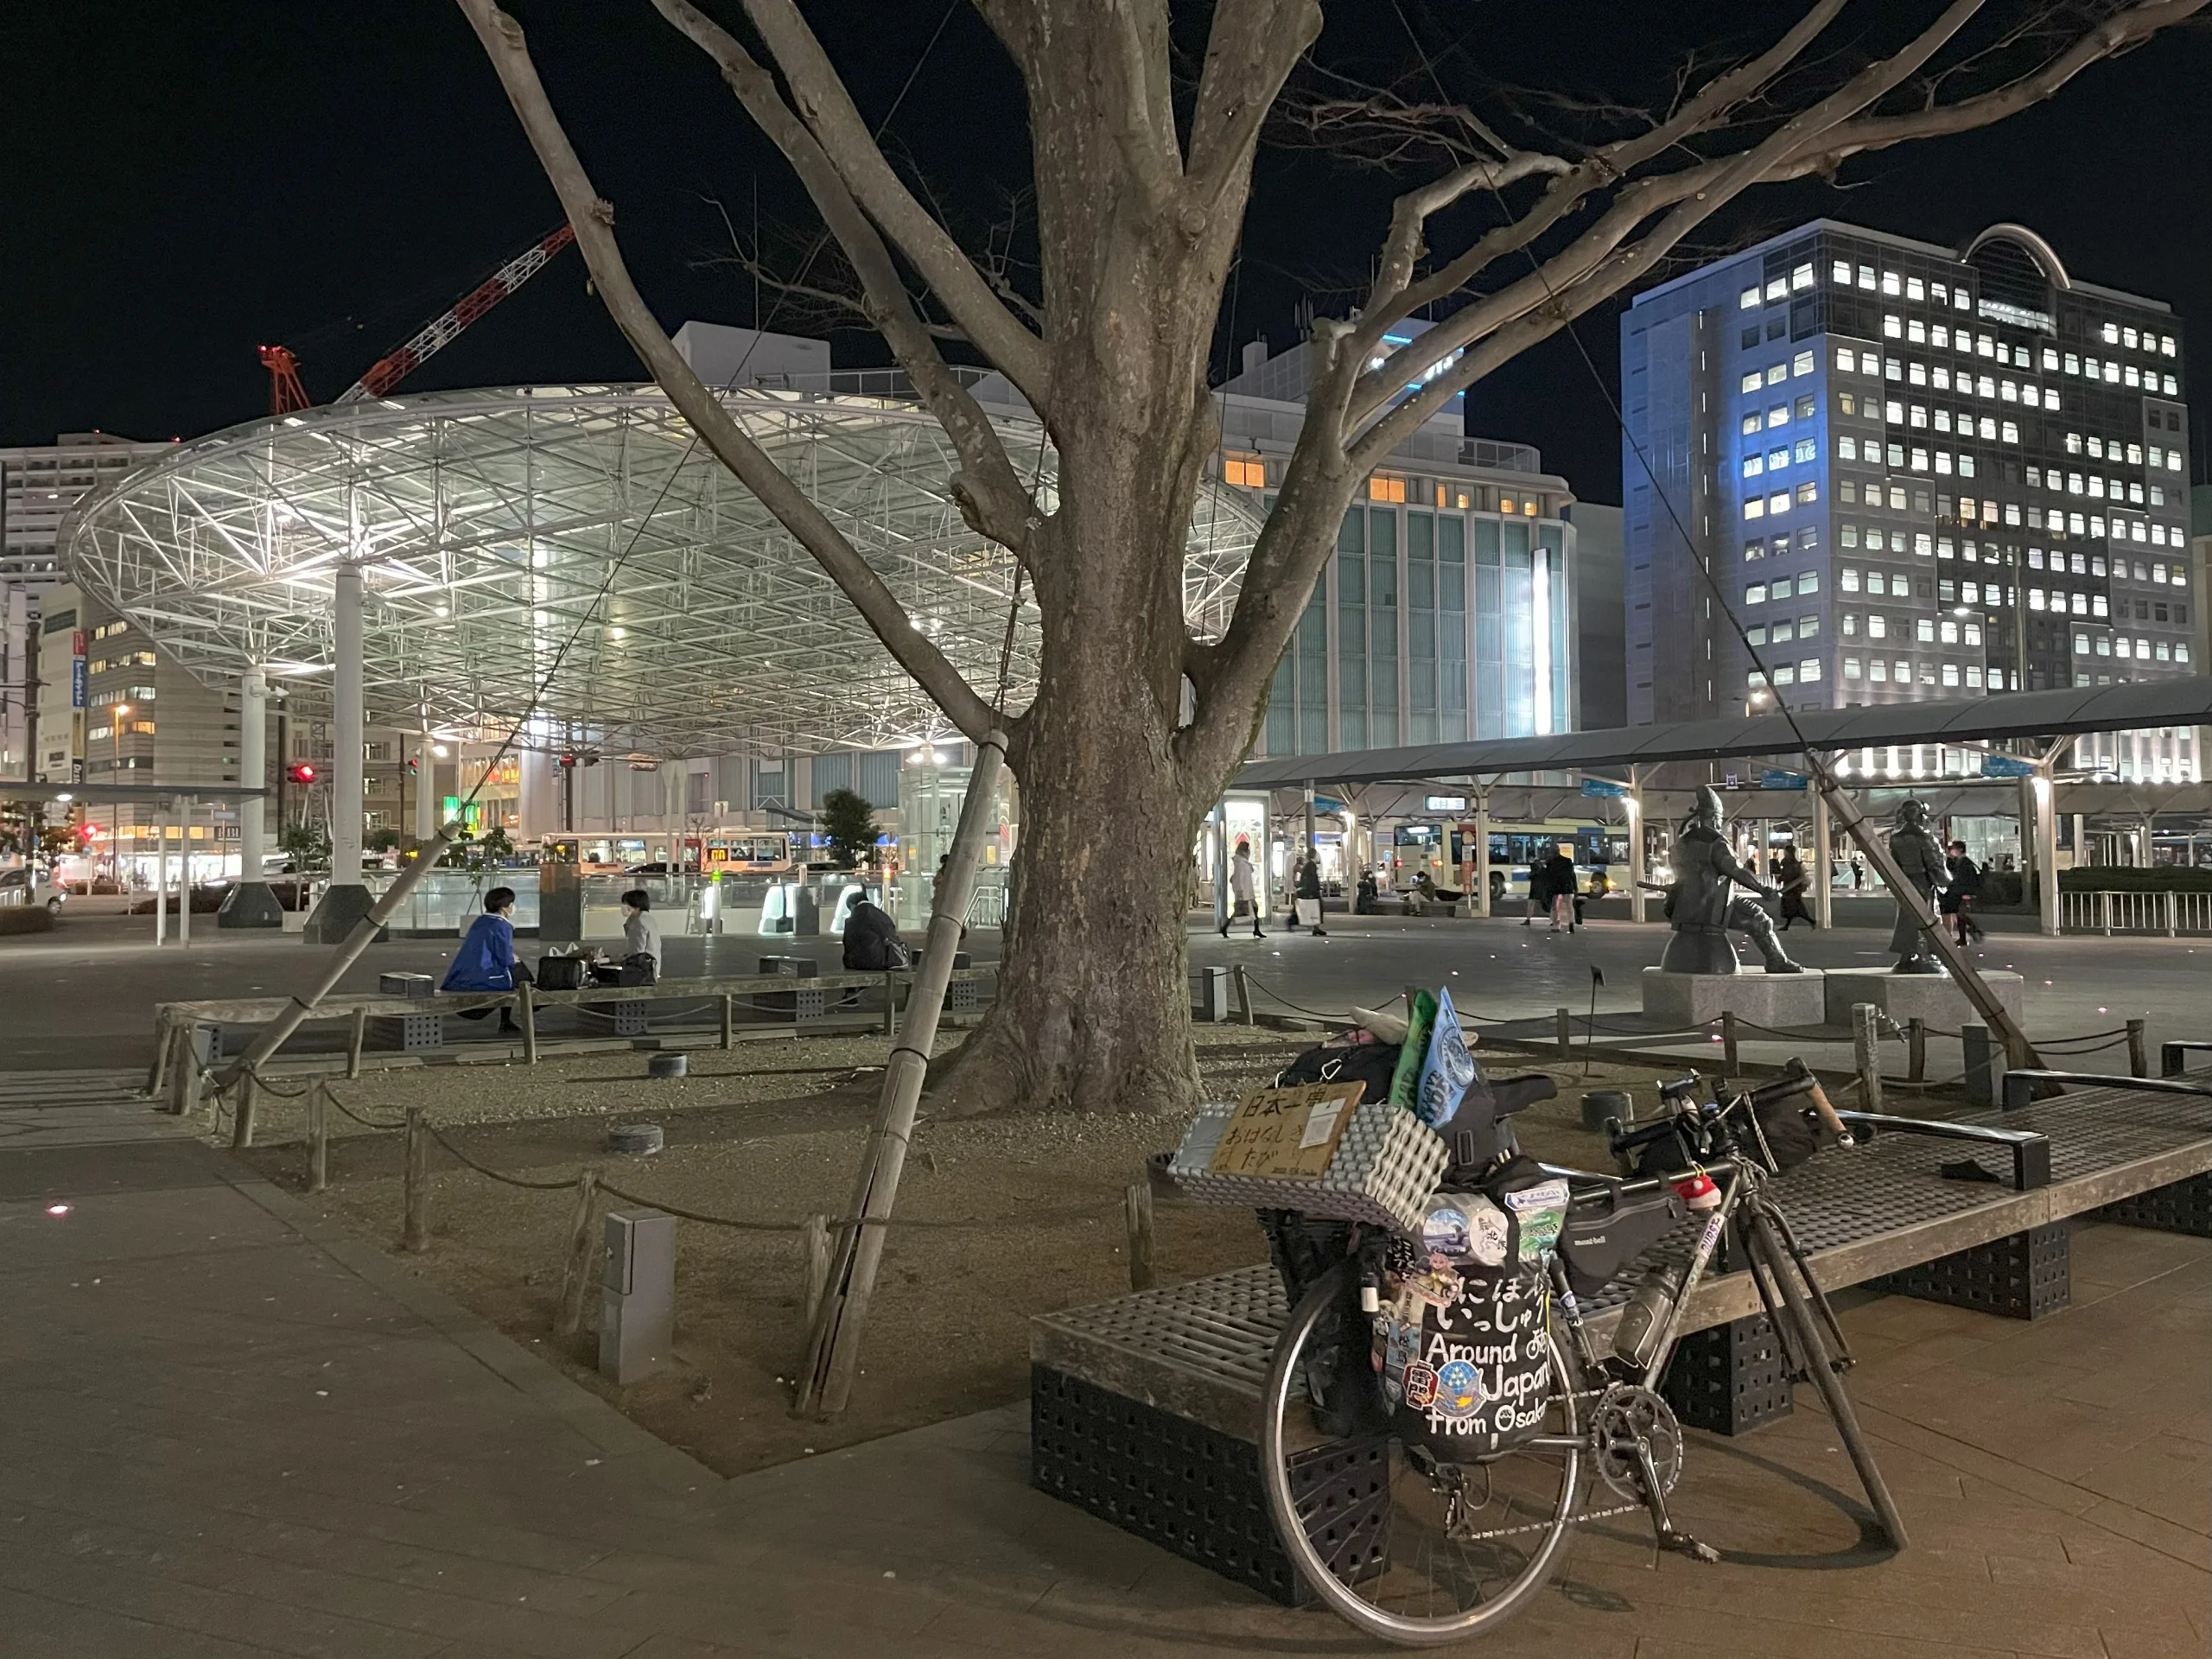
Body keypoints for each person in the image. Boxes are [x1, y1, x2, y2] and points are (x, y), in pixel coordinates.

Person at [441, 887, 530, 1033]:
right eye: (512, 903)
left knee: (513, 971)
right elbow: (505, 958)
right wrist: (515, 959)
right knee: (518, 974)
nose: (514, 907)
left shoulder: (481, 921)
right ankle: (512, 1016)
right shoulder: (502, 925)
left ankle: (505, 1020)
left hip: (463, 973)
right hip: (483, 974)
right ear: (505, 907)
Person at [1885, 800, 1950, 973]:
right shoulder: (1926, 838)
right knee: (1926, 917)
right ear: (1922, 816)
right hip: (1923, 881)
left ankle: (1906, 954)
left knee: (1906, 919)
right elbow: (1934, 863)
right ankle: (1925, 955)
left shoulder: (1896, 839)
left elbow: (1894, 863)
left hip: (1905, 882)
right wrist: (1945, 881)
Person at [594, 887, 661, 985]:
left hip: (641, 974)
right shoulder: (648, 919)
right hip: (651, 971)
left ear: (637, 906)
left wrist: (609, 960)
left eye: (626, 904)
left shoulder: (638, 923)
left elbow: (636, 954)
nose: (623, 907)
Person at [842, 893, 907, 970]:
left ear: (852, 905)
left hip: (863, 962)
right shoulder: (883, 916)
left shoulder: (854, 919)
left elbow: (848, 942)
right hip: (888, 959)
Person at [1945, 840, 1986, 944]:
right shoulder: (1960, 861)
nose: (1951, 851)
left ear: (1960, 849)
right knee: (1960, 915)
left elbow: (1964, 879)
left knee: (1960, 915)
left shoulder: (1964, 863)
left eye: (1953, 848)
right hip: (1962, 891)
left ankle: (1971, 932)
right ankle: (1970, 933)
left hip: (1963, 892)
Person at [1221, 839, 1263, 938]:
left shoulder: (1242, 862)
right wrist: (1240, 892)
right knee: (1240, 910)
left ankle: (1256, 929)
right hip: (1244, 891)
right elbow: (1239, 878)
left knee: (1249, 909)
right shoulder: (1240, 863)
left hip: (1247, 891)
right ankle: (1225, 927)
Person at [1776, 847, 1815, 931]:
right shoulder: (1795, 863)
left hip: (1791, 889)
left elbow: (1787, 875)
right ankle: (1809, 921)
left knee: (1793, 907)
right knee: (1795, 907)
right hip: (1795, 889)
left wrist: (1780, 879)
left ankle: (1810, 921)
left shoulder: (1788, 863)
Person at [1543, 844, 1578, 933]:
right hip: (1567, 886)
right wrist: (1575, 887)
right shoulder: (1567, 861)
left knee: (1555, 907)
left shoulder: (1550, 862)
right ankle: (1571, 924)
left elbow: (1548, 876)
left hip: (1555, 887)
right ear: (1559, 851)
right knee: (1569, 907)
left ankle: (1556, 925)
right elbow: (1572, 875)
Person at [1295, 850, 1326, 937]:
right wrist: (1316, 888)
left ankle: (1316, 927)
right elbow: (1312, 879)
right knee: (1318, 908)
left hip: (1310, 890)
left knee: (1315, 908)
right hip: (1312, 891)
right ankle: (1315, 927)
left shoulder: (1308, 864)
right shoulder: (1311, 865)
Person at [1522, 859, 1548, 927]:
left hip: (1534, 888)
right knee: (1546, 904)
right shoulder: (1542, 867)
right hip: (1542, 888)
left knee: (1530, 903)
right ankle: (1554, 919)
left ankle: (1528, 919)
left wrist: (1528, 875)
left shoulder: (1534, 866)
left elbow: (1531, 876)